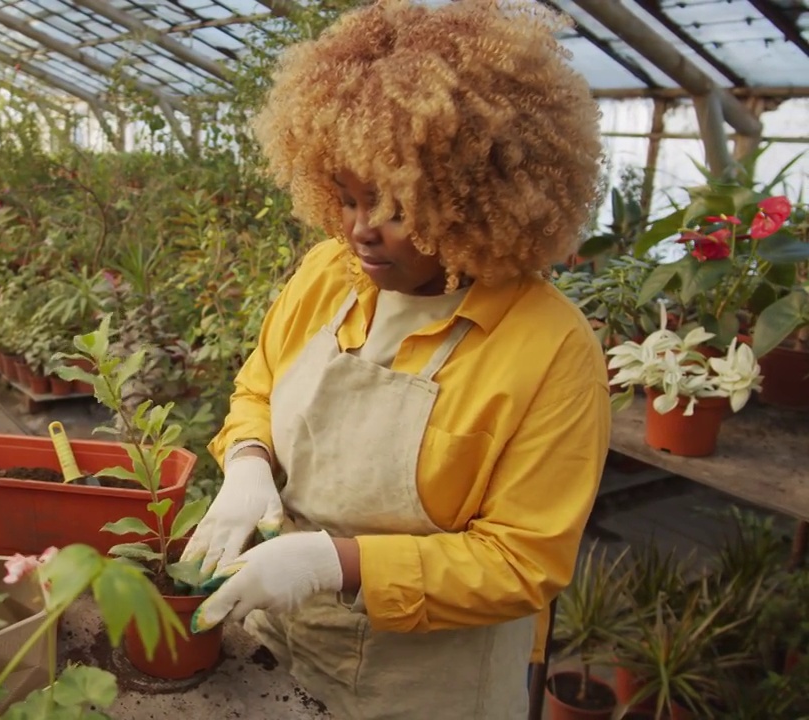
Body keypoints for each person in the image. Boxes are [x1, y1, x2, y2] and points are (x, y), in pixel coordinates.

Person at [182, 2, 611, 718]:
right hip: (282, 643)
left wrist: (334, 563)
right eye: (346, 197)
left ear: (477, 196)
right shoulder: (328, 277)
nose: (359, 231)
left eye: (396, 208)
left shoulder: (550, 349)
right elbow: (258, 385)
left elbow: (522, 560)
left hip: (422, 689)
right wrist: (250, 461)